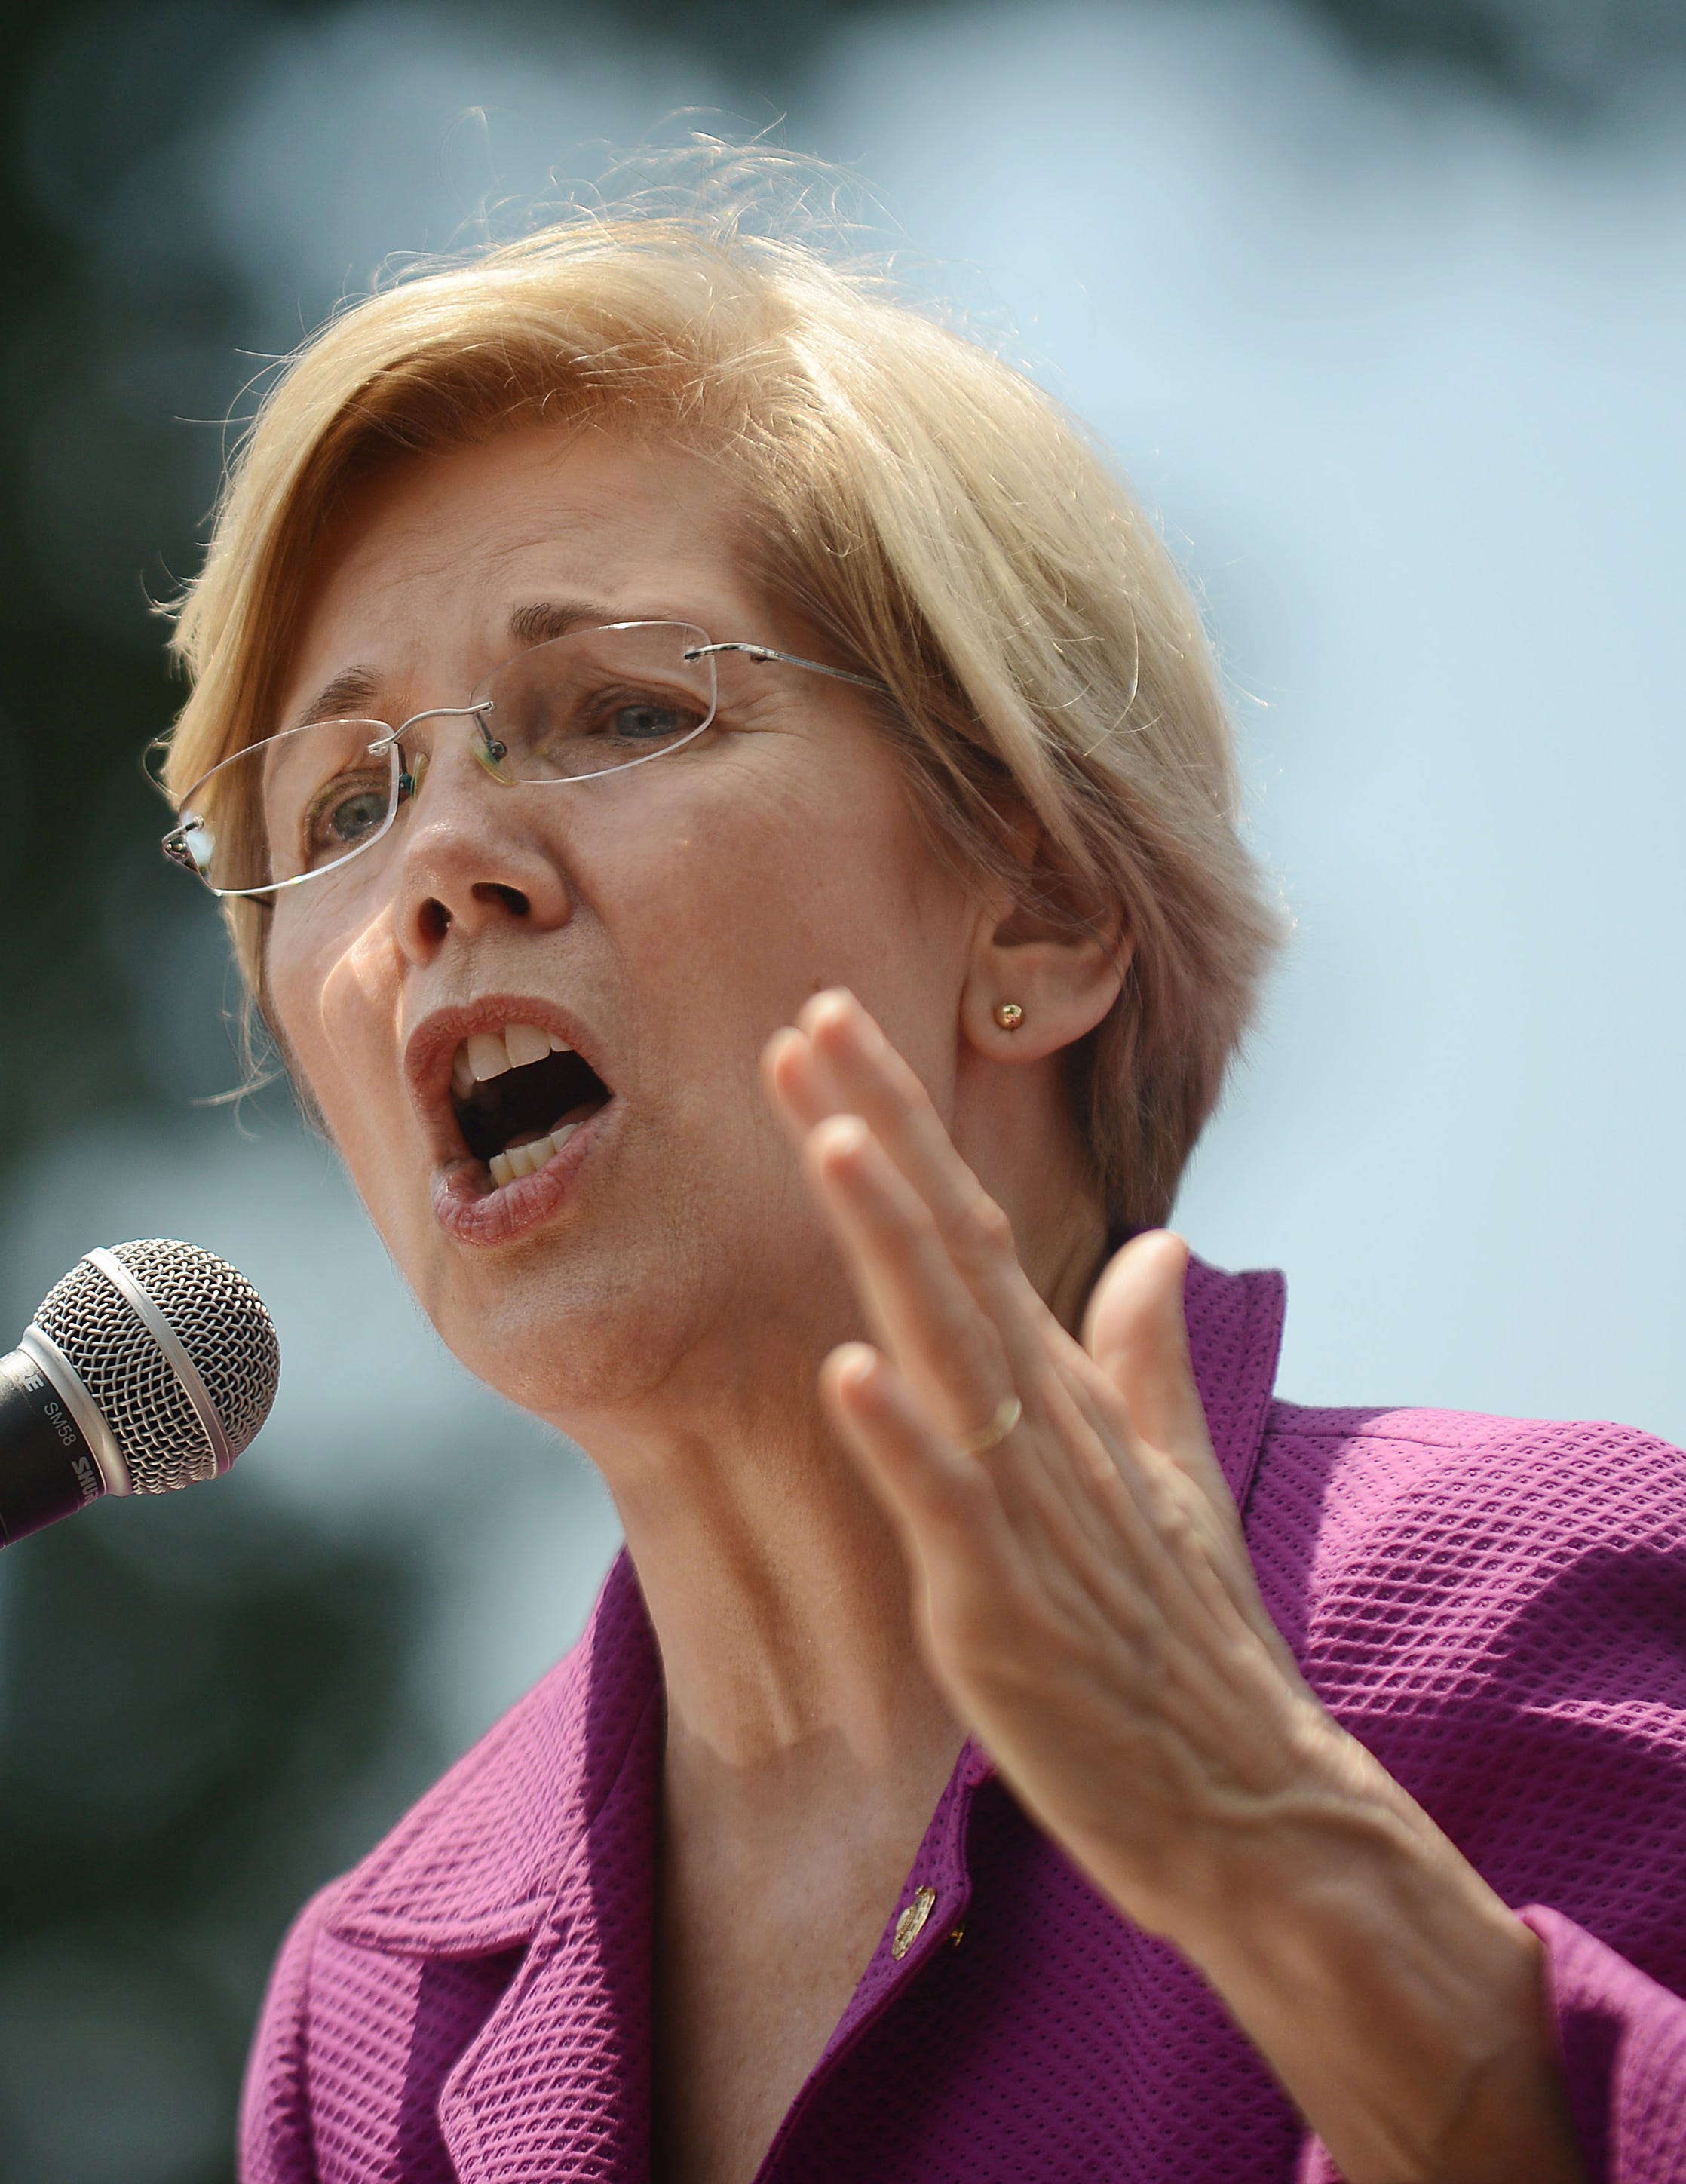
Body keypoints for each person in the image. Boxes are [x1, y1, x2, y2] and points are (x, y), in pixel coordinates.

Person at [153, 182, 1686, 2183]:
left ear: (1037, 912)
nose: (442, 858)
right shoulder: (370, 2016)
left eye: (621, 712)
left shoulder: (1520, 1611)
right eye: (345, 802)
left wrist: (1312, 1903)